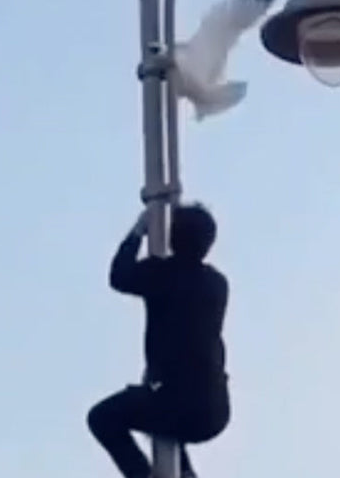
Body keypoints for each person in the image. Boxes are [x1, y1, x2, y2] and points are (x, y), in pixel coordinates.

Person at [88, 202, 231, 478]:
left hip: (177, 401)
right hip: (214, 408)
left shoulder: (161, 274)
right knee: (161, 415)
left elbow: (119, 276)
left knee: (103, 418)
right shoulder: (217, 284)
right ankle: (186, 473)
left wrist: (138, 232)